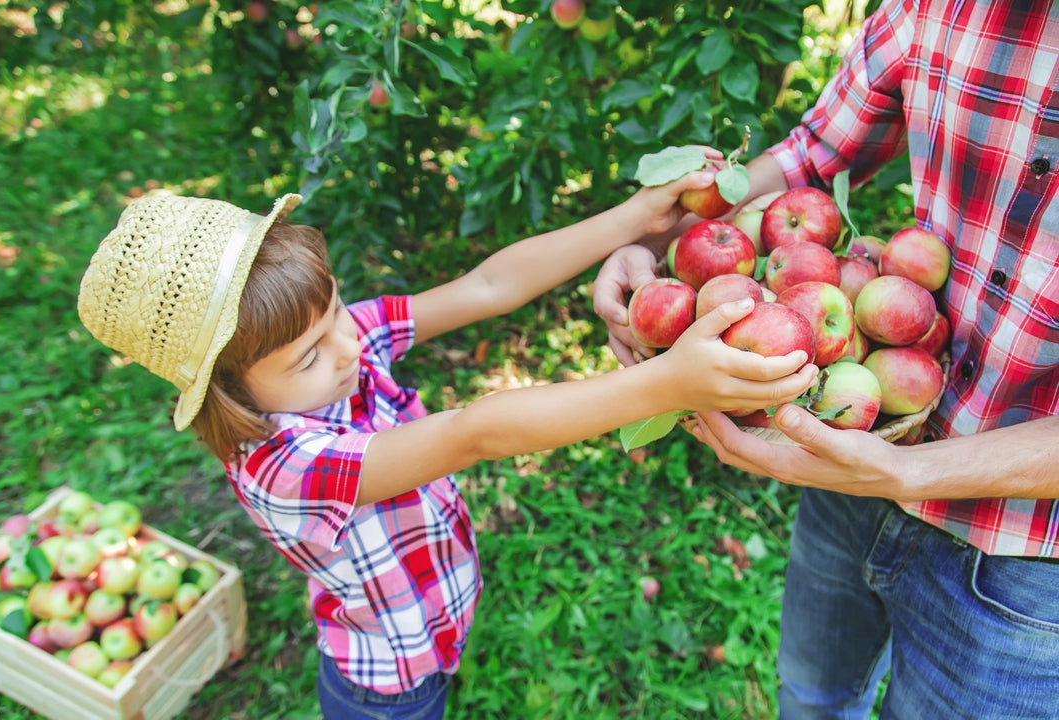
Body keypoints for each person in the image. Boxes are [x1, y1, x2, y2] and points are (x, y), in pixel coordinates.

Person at [76, 176, 817, 719]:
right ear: (231, 392)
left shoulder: (327, 345)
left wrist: (628, 218)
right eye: (309, 354)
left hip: (428, 624)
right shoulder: (284, 467)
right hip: (386, 685)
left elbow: (490, 284)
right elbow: (474, 432)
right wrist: (667, 384)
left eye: (337, 308)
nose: (346, 344)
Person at [591, 0, 1059, 717]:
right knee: (810, 698)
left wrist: (908, 470)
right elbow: (813, 158)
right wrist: (660, 247)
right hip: (853, 446)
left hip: (1025, 557)